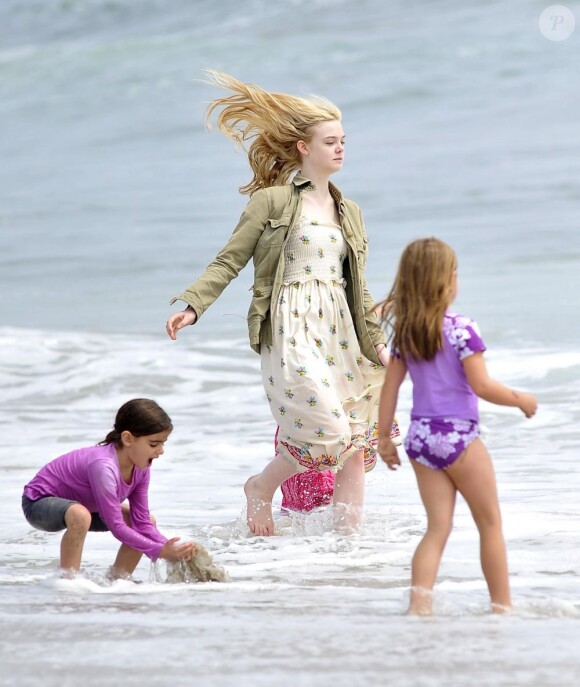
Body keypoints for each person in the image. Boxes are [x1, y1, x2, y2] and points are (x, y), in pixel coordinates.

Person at [167, 70, 398, 536]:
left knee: (355, 440)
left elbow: (360, 288)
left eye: (343, 141)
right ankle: (260, 487)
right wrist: (193, 304)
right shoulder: (271, 202)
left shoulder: (349, 211)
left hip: (341, 332)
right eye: (330, 141)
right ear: (303, 148)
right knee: (331, 431)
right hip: (291, 328)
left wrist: (379, 344)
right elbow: (229, 261)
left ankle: (349, 547)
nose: (340, 149)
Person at [376, 238, 537, 614]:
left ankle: (419, 606)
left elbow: (390, 388)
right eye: (456, 273)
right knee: (490, 525)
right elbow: (482, 386)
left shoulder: (405, 335)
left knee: (437, 529)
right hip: (459, 439)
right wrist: (520, 400)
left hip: (421, 440)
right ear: (446, 281)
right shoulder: (462, 330)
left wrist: (385, 438)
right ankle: (502, 607)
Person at [21, 399, 195, 578]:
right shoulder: (103, 467)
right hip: (39, 503)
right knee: (80, 515)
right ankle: (69, 581)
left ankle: (118, 581)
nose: (161, 451)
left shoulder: (141, 469)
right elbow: (116, 526)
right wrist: (160, 551)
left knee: (148, 521)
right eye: (153, 444)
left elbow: (141, 521)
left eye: (163, 443)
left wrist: (170, 548)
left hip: (88, 507)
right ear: (127, 439)